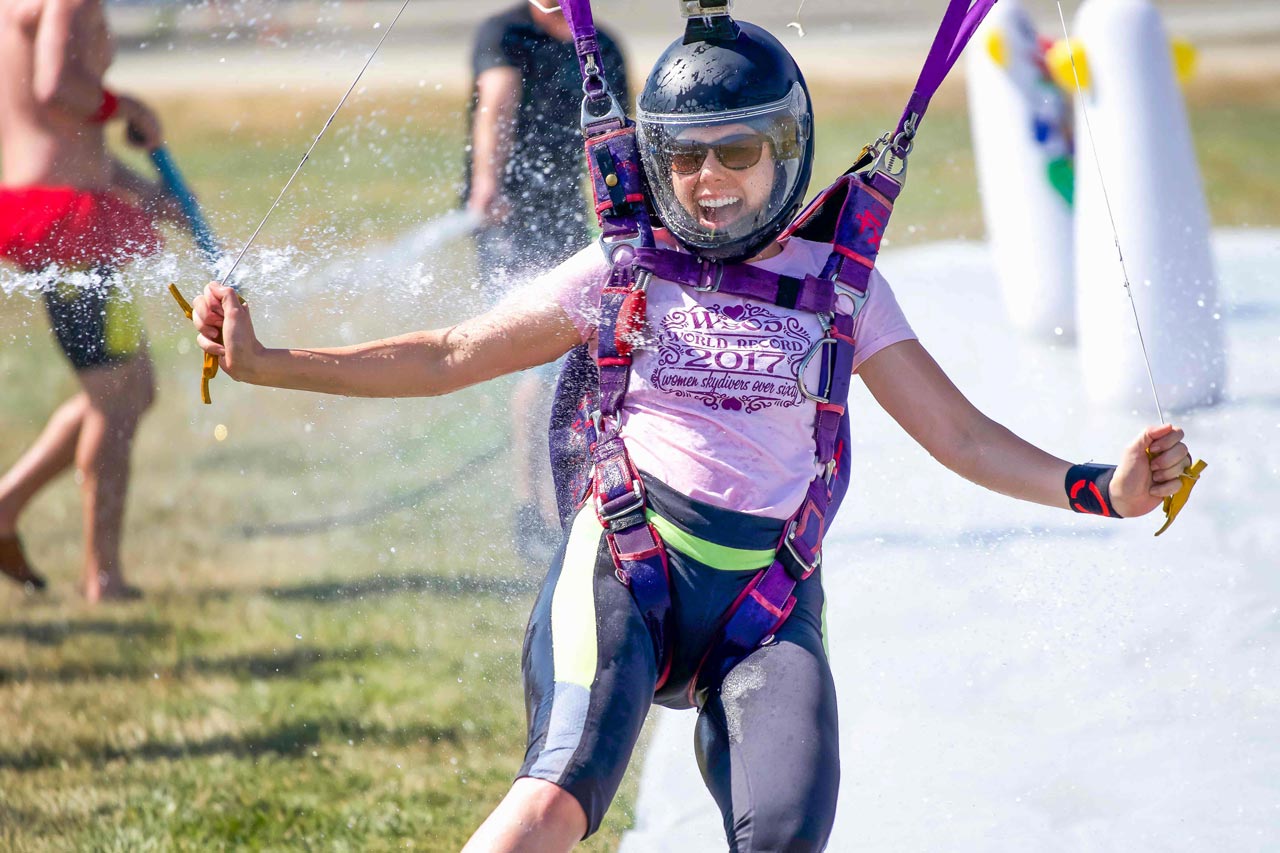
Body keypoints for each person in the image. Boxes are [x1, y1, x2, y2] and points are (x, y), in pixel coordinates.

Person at [189, 18, 1193, 853]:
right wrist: (268, 360)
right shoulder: (619, 270)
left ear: (784, 148)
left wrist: (1101, 486)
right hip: (625, 571)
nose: (709, 178)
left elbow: (961, 437)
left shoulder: (839, 289)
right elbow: (450, 354)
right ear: (653, 162)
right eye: (684, 155)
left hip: (767, 602)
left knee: (787, 833)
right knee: (552, 801)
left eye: (737, 152)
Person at [0, 0, 181, 600]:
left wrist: (149, 194)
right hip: (67, 228)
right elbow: (58, 90)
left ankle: (5, 506)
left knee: (133, 388)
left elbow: (70, 145)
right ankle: (103, 576)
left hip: (67, 214)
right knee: (115, 400)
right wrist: (128, 106)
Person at [462, 0, 627, 565]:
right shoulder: (506, 31)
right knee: (538, 367)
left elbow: (614, 141)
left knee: (576, 362)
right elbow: (497, 106)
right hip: (506, 223)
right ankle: (531, 509)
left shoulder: (600, 46)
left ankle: (582, 501)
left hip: (570, 228)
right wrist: (487, 184)